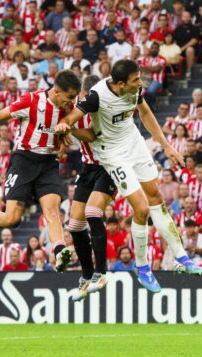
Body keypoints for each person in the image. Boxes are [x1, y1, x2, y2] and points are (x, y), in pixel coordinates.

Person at [54, 60, 202, 293]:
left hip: (134, 143)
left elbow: (144, 112)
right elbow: (70, 118)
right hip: (112, 154)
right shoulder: (96, 97)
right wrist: (64, 127)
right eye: (136, 79)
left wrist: (166, 146)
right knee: (142, 209)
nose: (140, 82)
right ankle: (142, 267)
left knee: (156, 198)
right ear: (121, 83)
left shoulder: (134, 90)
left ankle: (181, 257)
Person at [0, 70, 88, 273]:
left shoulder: (69, 108)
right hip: (23, 160)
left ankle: (60, 251)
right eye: (69, 97)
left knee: (52, 210)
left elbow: (68, 132)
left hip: (48, 163)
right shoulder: (31, 100)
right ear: (57, 91)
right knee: (11, 218)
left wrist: (63, 141)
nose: (72, 102)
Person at [65, 75, 119, 302]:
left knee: (93, 213)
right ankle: (86, 277)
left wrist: (67, 127)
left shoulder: (102, 109)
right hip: (87, 168)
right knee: (75, 225)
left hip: (109, 166)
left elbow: (89, 135)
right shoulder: (77, 108)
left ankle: (101, 273)